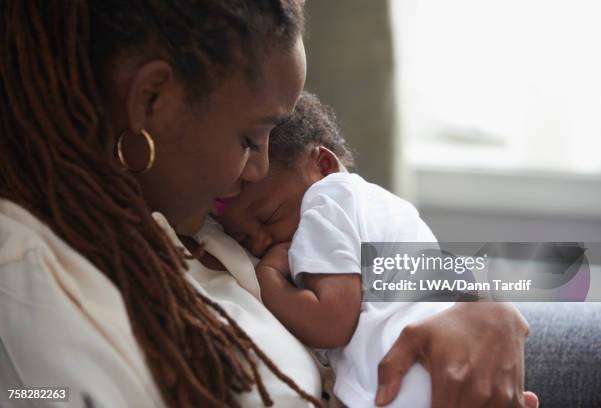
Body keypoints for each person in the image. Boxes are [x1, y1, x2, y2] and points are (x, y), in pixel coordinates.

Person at [0, 1, 538, 407]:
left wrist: (479, 305)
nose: (257, 169)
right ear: (151, 100)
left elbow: (397, 261)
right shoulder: (34, 280)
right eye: (248, 138)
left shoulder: (203, 214)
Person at [216, 91, 458, 407]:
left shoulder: (327, 200)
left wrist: (269, 278)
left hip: (410, 379)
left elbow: (330, 322)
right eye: (244, 239)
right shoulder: (373, 201)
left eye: (269, 216)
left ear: (324, 165)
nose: (260, 242)